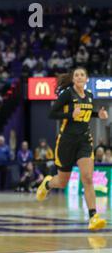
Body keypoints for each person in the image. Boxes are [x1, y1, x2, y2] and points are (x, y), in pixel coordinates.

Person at [36, 67, 108, 231]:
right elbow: (51, 114)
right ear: (73, 79)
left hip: (84, 140)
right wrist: (70, 115)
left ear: (87, 79)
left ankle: (93, 217)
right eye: (77, 75)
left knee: (88, 178)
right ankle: (47, 183)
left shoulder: (89, 95)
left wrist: (99, 115)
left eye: (83, 74)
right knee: (62, 182)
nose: (80, 77)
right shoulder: (67, 94)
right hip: (66, 142)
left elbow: (86, 114)